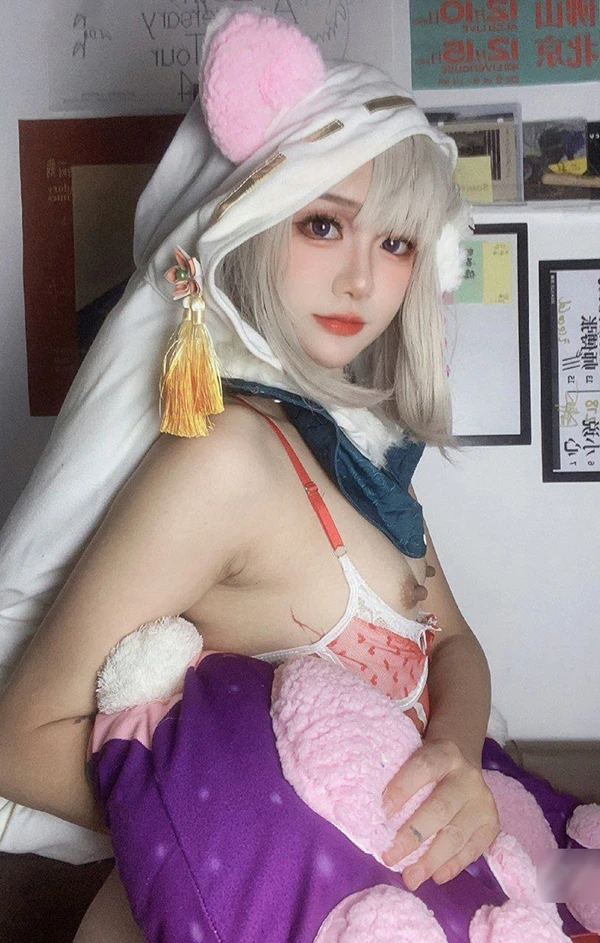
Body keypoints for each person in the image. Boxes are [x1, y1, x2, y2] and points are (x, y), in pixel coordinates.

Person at [1, 8, 585, 943]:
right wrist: (272, 827)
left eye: (396, 243)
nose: (361, 280)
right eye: (324, 224)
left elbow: (454, 646)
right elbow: (21, 738)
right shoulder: (224, 460)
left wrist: (451, 753)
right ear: (253, 222)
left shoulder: (362, 456)